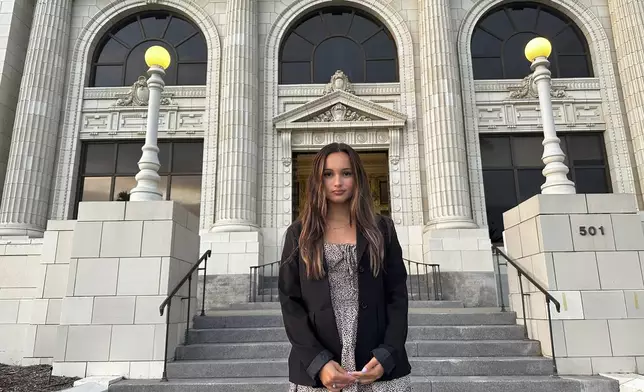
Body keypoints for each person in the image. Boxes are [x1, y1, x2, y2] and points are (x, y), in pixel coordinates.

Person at [278, 143, 411, 392]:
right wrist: (319, 362)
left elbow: (397, 297)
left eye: (346, 173)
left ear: (357, 177)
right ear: (318, 180)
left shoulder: (382, 229)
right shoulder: (299, 234)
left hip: (376, 363)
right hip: (319, 368)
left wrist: (387, 354)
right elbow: (290, 303)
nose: (337, 181)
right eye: (328, 174)